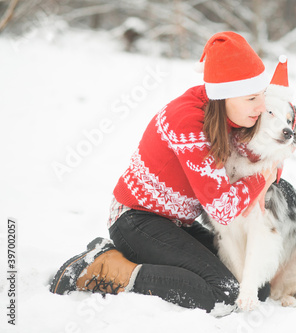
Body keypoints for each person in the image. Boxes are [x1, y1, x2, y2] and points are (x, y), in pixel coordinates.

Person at [49, 31, 279, 314]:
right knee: (225, 294)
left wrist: (269, 167)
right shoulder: (188, 124)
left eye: (263, 94)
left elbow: (268, 159)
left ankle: (147, 263)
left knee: (256, 285)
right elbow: (223, 208)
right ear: (224, 95)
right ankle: (103, 267)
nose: (262, 106)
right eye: (252, 97)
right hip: (135, 219)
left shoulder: (231, 114)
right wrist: (263, 176)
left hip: (175, 223)